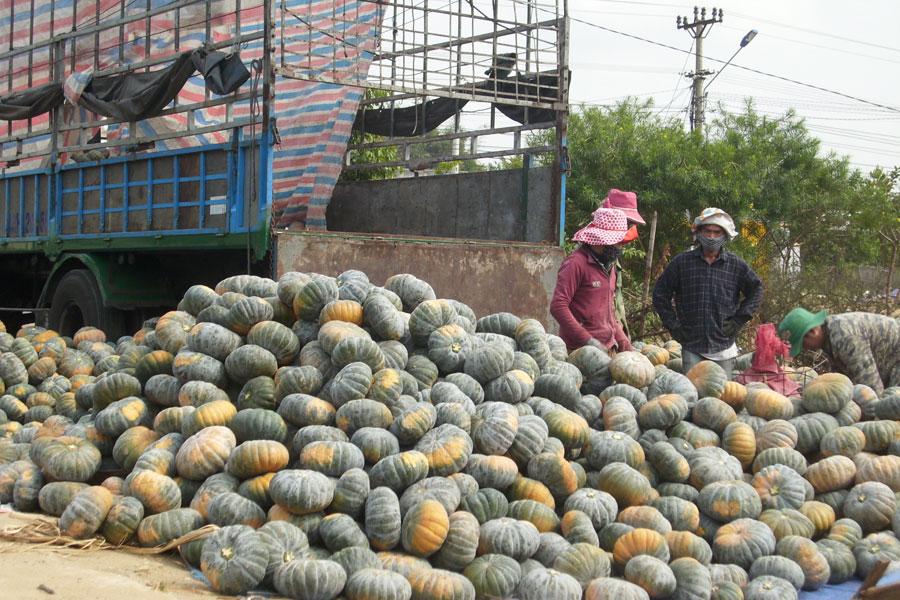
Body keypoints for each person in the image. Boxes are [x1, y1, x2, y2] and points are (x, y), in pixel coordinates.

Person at [652, 207, 763, 378]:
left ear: (725, 235)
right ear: (699, 232)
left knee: (719, 397)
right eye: (707, 231)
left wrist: (738, 320)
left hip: (723, 345)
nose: (711, 237)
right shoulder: (682, 263)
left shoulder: (736, 266)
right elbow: (660, 293)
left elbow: (756, 290)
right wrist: (673, 325)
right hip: (692, 344)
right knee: (692, 393)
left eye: (717, 232)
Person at [551, 207, 638, 353]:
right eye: (617, 242)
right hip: (579, 351)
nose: (620, 247)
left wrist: (625, 345)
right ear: (603, 240)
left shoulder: (608, 267)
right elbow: (558, 307)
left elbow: (609, 313)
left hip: (607, 347)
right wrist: (588, 340)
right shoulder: (575, 264)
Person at [778, 307, 900, 396]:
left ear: (812, 331)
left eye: (802, 344)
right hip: (890, 359)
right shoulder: (829, 335)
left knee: (892, 402)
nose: (804, 349)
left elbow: (871, 386)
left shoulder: (845, 338)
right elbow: (843, 378)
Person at [600, 189, 646, 338]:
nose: (625, 228)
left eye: (628, 223)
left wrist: (622, 338)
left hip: (614, 338)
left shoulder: (613, 256)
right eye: (623, 221)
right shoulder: (584, 259)